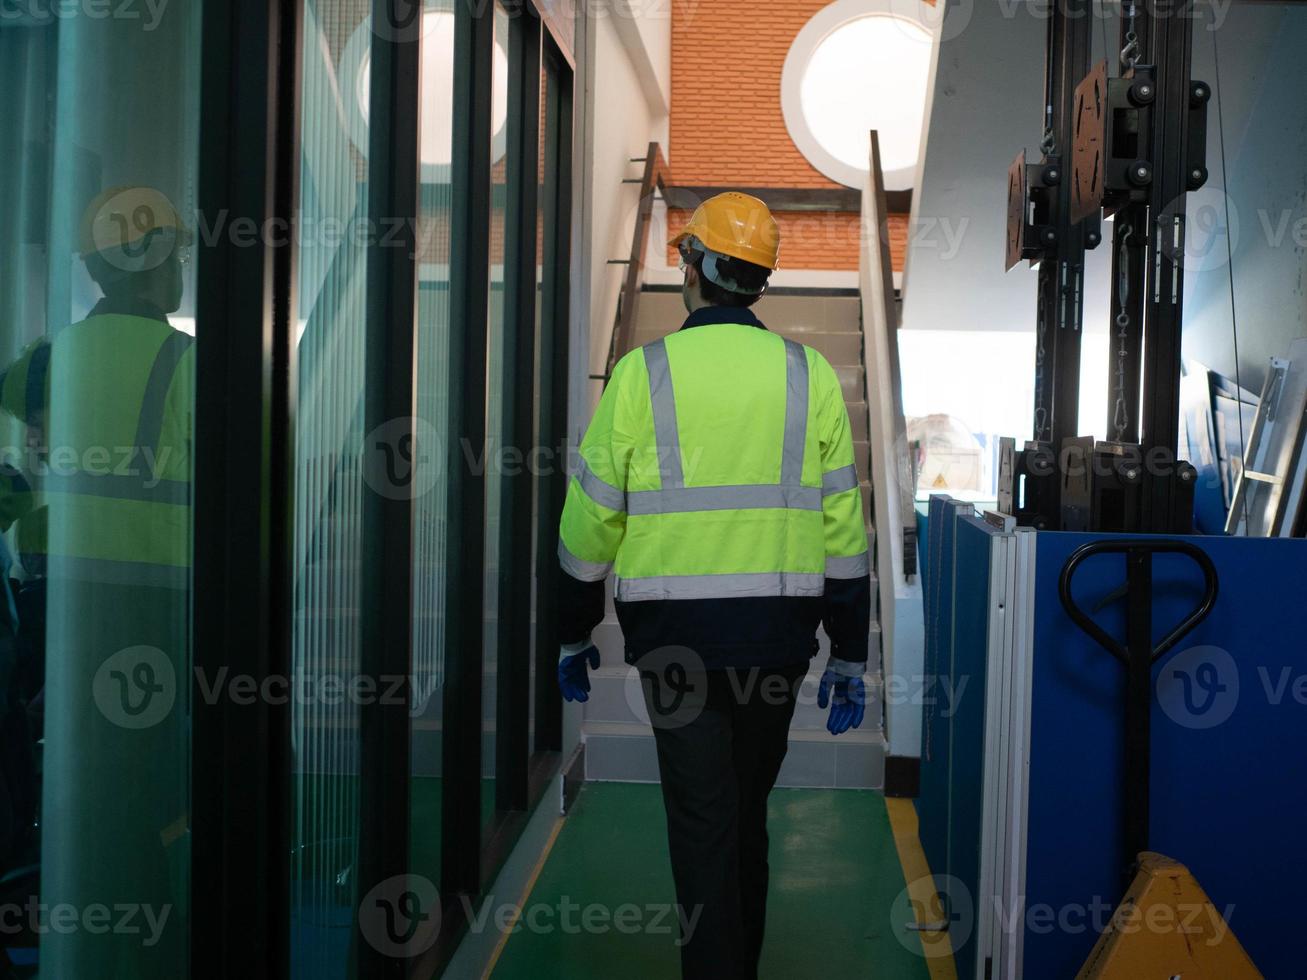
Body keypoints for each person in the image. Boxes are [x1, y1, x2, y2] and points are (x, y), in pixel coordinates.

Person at [555, 192, 872, 978]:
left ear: (692, 266)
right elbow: (843, 529)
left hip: (675, 649)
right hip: (776, 644)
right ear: (757, 278)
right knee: (743, 815)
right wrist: (850, 651)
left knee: (702, 822)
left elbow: (590, 519)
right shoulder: (810, 377)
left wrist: (570, 626)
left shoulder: (640, 374)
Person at [0, 185, 193, 976]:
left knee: (64, 757)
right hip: (155, 606)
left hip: (52, 596)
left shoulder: (43, 363)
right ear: (158, 272)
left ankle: (64, 908)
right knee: (151, 777)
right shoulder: (188, 363)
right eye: (174, 257)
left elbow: (19, 436)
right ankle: (144, 923)